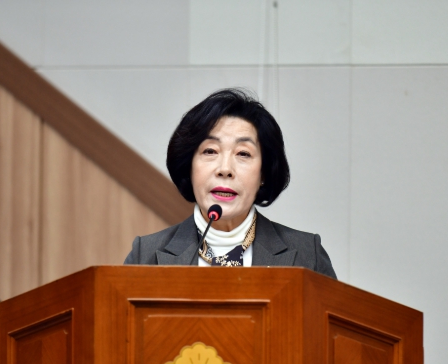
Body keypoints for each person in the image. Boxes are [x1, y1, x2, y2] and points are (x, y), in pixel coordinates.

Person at [124, 88, 336, 279]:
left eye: (243, 153)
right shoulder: (146, 254)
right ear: (189, 165)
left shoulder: (308, 255)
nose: (225, 169)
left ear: (263, 172)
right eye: (210, 151)